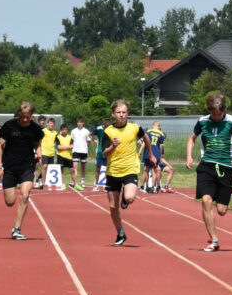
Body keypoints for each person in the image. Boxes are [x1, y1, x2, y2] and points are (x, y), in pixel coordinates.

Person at [186, 92, 232, 252]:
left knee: (221, 210)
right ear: (209, 110)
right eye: (214, 113)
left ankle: (220, 207)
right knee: (206, 200)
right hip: (207, 166)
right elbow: (191, 139)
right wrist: (189, 156)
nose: (217, 117)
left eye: (219, 113)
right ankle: (214, 240)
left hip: (226, 168)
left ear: (224, 110)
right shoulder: (202, 121)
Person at [103, 99, 153, 246]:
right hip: (113, 171)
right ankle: (120, 232)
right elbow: (105, 153)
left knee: (130, 197)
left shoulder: (135, 128)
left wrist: (151, 154)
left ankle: (125, 198)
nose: (121, 115)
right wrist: (113, 146)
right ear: (113, 114)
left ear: (128, 113)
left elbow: (146, 138)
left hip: (130, 168)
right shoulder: (108, 131)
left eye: (124, 112)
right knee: (113, 207)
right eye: (118, 112)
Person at [0, 103, 44, 240]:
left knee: (25, 195)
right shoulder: (9, 126)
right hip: (10, 167)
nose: (25, 120)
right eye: (23, 117)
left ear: (31, 116)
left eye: (28, 117)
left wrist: (39, 154)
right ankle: (12, 191)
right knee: (10, 202)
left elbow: (37, 144)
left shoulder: (35, 129)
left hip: (27, 166)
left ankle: (16, 229)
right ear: (19, 115)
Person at [143, 120, 174, 193]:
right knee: (154, 170)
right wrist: (159, 155)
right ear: (159, 127)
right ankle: (153, 187)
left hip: (147, 152)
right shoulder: (161, 134)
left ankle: (147, 186)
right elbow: (161, 147)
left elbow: (144, 141)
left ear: (153, 126)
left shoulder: (148, 131)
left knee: (147, 170)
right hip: (155, 153)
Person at [36, 117, 58, 188]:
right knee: (44, 166)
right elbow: (38, 141)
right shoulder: (43, 131)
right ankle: (43, 183)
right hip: (44, 152)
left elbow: (57, 142)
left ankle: (41, 179)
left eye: (53, 124)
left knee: (49, 168)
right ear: (47, 124)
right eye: (50, 123)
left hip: (51, 153)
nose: (51, 125)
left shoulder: (55, 133)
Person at [70, 117, 91, 189]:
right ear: (77, 123)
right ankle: (75, 182)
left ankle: (82, 181)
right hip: (75, 150)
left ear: (83, 123)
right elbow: (72, 141)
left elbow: (89, 142)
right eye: (78, 122)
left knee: (83, 167)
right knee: (75, 166)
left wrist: (84, 146)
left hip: (84, 151)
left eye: (81, 122)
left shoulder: (86, 131)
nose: (79, 123)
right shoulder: (73, 131)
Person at [56, 123, 79, 189]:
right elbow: (59, 147)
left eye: (65, 129)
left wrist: (64, 147)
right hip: (60, 156)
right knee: (61, 171)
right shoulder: (58, 137)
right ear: (61, 130)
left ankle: (76, 184)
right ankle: (63, 184)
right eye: (63, 130)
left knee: (72, 170)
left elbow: (72, 146)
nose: (64, 131)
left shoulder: (70, 137)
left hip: (68, 156)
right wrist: (67, 147)